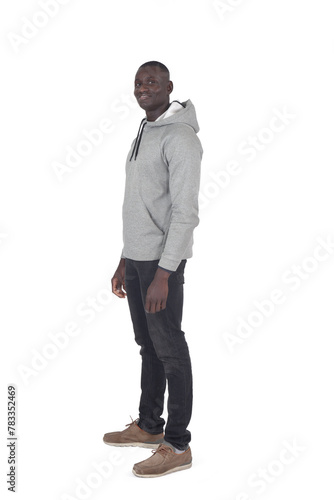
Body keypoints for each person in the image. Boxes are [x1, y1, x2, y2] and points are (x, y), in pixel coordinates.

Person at [103, 61, 203, 478]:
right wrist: (125, 258)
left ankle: (177, 444)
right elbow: (140, 204)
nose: (143, 88)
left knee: (170, 348)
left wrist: (165, 271)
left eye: (152, 82)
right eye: (139, 82)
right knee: (147, 344)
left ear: (169, 87)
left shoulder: (179, 138)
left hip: (162, 264)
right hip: (139, 260)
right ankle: (148, 425)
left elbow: (184, 213)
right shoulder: (146, 129)